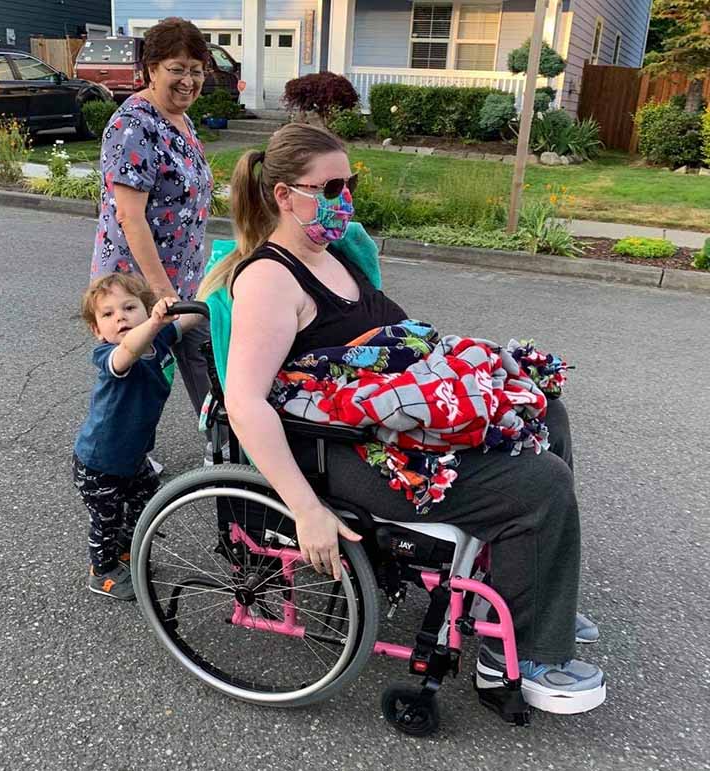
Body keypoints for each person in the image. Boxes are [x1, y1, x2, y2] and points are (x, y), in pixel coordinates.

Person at [197, 123, 606, 714]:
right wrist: (306, 510)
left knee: (545, 409)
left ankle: (528, 594)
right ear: (285, 196)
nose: (345, 198)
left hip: (387, 423)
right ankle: (512, 660)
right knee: (540, 483)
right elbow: (244, 402)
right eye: (330, 186)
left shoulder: (336, 255)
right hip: (347, 452)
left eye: (350, 183)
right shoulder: (268, 278)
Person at [90, 17, 215, 444]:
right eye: (177, 69)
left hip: (183, 279)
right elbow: (130, 216)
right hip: (138, 287)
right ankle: (115, 464)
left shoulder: (180, 120)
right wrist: (163, 294)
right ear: (151, 69)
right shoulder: (134, 125)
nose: (188, 80)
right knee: (136, 382)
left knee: (205, 359)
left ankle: (225, 448)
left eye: (196, 70)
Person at [73, 273, 184, 600]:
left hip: (134, 456)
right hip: (99, 464)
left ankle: (125, 550)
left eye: (129, 307)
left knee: (148, 497)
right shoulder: (110, 354)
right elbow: (129, 352)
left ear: (145, 308)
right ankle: (101, 570)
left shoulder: (159, 340)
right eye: (107, 314)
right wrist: (152, 323)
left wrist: (214, 298)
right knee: (105, 522)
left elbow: (187, 321)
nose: (119, 317)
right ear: (97, 330)